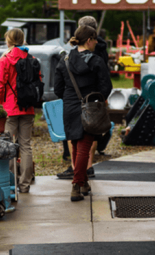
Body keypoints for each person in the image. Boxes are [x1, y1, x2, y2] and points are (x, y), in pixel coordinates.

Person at [53, 24, 112, 201]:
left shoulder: (64, 60)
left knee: (76, 145)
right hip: (90, 107)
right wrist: (97, 99)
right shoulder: (96, 61)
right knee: (84, 147)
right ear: (88, 40)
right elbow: (106, 87)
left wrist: (69, 98)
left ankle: (84, 183)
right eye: (95, 39)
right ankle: (76, 185)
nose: (96, 43)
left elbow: (58, 89)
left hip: (70, 107)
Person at [0, 28, 36, 194]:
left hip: (10, 108)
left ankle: (11, 184)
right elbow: (38, 80)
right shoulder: (31, 59)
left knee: (9, 146)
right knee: (26, 146)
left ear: (8, 41)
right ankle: (25, 184)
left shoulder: (5, 59)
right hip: (28, 108)